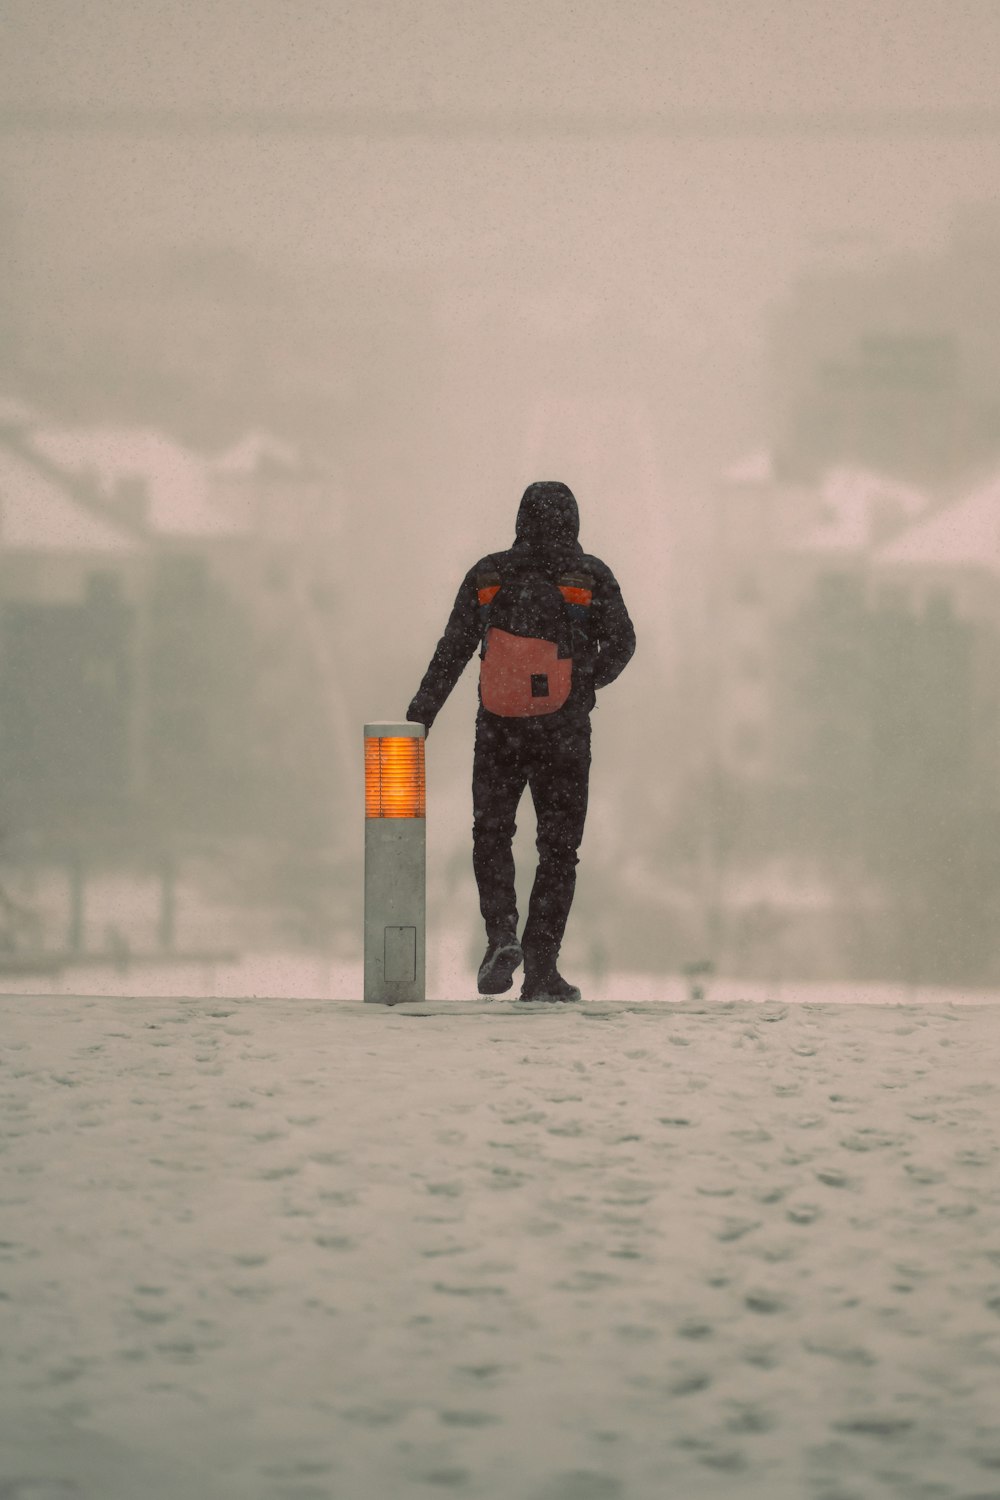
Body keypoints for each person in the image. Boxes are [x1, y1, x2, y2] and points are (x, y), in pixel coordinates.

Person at [406, 480, 636, 1003]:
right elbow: (624, 643)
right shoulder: (590, 575)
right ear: (573, 521)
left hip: (498, 728)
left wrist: (419, 717)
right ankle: (542, 970)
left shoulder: (489, 573)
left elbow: (454, 649)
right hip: (564, 735)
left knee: (491, 833)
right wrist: (580, 682)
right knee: (558, 850)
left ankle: (500, 935)